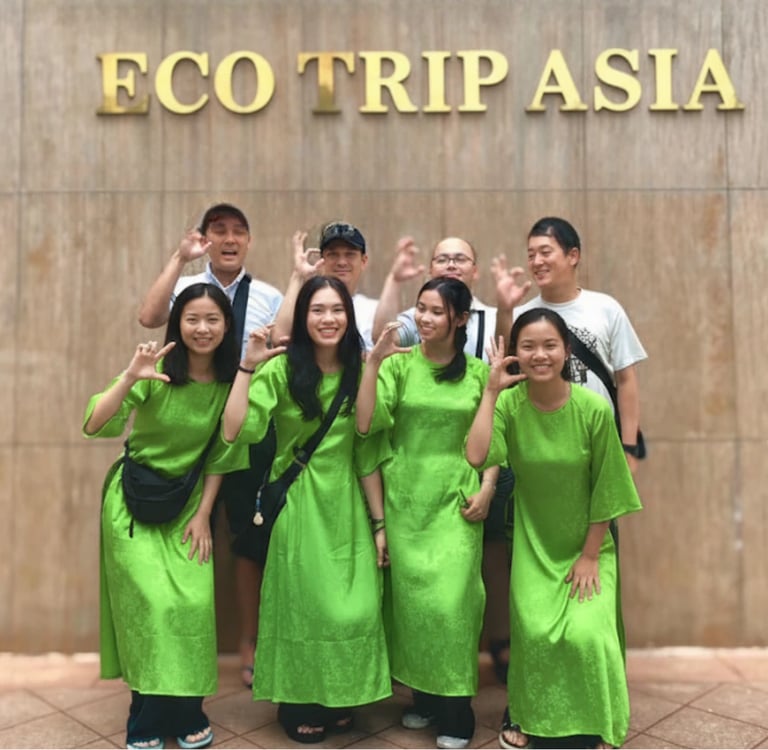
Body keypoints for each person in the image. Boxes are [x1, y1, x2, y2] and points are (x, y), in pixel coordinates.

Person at [83, 283, 255, 750]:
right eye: (192, 319)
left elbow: (223, 455)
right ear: (177, 324)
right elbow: (95, 424)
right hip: (133, 505)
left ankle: (185, 712)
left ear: (227, 326)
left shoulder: (228, 385)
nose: (202, 328)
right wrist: (128, 378)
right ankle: (145, 720)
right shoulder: (155, 371)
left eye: (212, 319)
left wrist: (204, 514)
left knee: (190, 609)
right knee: (153, 609)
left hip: (187, 507)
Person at [223, 276, 391, 744]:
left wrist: (379, 523)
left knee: (352, 608)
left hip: (346, 506)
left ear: (349, 318)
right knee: (304, 607)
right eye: (317, 310)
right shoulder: (281, 370)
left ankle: (338, 693)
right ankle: (298, 701)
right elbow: (235, 430)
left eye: (337, 310)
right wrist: (246, 367)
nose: (328, 319)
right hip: (298, 504)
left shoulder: (359, 369)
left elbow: (366, 444)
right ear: (302, 318)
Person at [465, 308, 643, 749]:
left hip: (589, 545)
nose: (539, 355)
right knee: (536, 635)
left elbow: (607, 488)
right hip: (534, 545)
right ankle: (531, 716)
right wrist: (490, 391)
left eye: (550, 345)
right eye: (528, 346)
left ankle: (599, 721)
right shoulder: (510, 406)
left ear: (567, 351)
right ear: (515, 353)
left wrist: (589, 555)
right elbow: (476, 455)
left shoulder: (593, 409)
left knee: (588, 635)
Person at [138, 202, 283, 687]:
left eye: (238, 231)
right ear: (205, 238)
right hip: (185, 427)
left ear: (249, 241)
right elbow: (148, 316)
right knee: (181, 531)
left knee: (247, 539)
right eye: (218, 230)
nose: (229, 238)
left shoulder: (268, 294)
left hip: (246, 427)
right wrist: (179, 258)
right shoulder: (185, 288)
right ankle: (174, 645)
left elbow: (285, 343)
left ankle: (250, 642)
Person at [372, 236, 529, 684]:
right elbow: (381, 340)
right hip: (417, 480)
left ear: (474, 270)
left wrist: (488, 481)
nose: (451, 264)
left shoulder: (486, 320)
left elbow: (505, 360)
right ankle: (424, 684)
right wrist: (392, 280)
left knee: (484, 564)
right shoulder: (416, 325)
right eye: (442, 258)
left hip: (479, 461)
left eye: (460, 259)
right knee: (423, 589)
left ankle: (490, 651)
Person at [357, 277, 498, 750]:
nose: (424, 318)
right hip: (406, 502)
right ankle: (425, 697)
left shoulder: (478, 373)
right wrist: (373, 365)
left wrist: (489, 486)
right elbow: (366, 426)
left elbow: (495, 435)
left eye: (437, 311)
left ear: (460, 319)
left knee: (453, 605)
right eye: (421, 308)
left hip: (456, 502)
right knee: (413, 607)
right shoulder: (399, 366)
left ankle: (457, 709)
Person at [494, 216, 647, 474]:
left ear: (573, 255)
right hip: (539, 445)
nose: (537, 262)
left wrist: (629, 447)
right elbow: (505, 366)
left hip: (598, 439)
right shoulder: (520, 315)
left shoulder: (606, 309)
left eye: (545, 252)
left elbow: (626, 380)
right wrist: (504, 310)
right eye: (531, 255)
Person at [271, 221, 378, 350]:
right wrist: (298, 275)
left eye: (350, 254)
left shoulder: (375, 311)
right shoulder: (307, 305)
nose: (342, 262)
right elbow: (279, 340)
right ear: (322, 260)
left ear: (363, 261)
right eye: (333, 255)